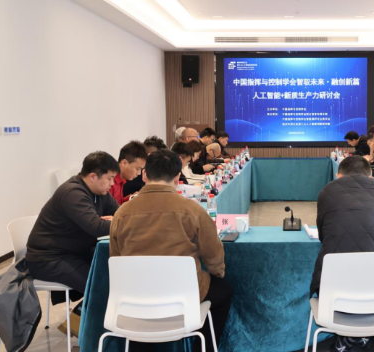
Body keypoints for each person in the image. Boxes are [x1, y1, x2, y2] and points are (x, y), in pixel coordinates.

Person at [110, 150, 230, 352]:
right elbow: (213, 253)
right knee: (224, 291)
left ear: (144, 175)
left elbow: (115, 257)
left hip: (135, 296)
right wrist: (217, 273)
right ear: (177, 178)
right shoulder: (192, 210)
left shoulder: (121, 213)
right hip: (183, 295)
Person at [26, 151, 120, 335]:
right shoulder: (73, 193)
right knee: (100, 286)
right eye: (109, 179)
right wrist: (118, 223)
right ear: (93, 176)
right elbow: (97, 227)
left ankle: (81, 319)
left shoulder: (100, 192)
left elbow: (120, 213)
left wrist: (117, 220)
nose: (112, 184)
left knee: (114, 273)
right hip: (48, 258)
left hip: (74, 252)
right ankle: (91, 334)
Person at [311, 156, 374, 352]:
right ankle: (360, 337)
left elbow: (323, 235)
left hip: (334, 292)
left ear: (338, 175)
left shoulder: (327, 191)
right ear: (371, 176)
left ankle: (348, 338)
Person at [109, 141, 148, 205]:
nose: (139, 173)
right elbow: (111, 208)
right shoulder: (110, 182)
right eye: (137, 169)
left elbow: (118, 203)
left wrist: (130, 198)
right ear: (124, 163)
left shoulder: (121, 180)